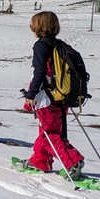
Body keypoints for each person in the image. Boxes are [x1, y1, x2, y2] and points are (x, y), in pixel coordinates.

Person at [19, 11, 85, 177]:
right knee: (46, 131)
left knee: (50, 134)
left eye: (32, 26)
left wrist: (31, 94)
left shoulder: (41, 46)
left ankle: (73, 161)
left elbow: (40, 72)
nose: (31, 29)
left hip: (46, 98)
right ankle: (40, 161)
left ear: (39, 27)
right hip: (60, 97)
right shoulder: (58, 44)